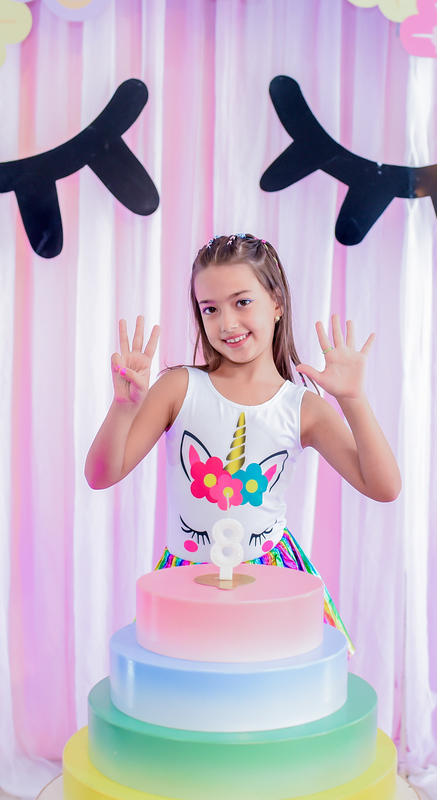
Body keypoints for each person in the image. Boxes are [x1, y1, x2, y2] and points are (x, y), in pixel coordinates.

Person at [85, 233, 400, 649]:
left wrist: (353, 401)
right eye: (210, 309)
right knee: (189, 679)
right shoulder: (178, 387)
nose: (227, 323)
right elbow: (101, 476)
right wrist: (123, 408)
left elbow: (384, 487)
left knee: (268, 682)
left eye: (242, 302)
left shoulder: (301, 407)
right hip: (187, 573)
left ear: (277, 303)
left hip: (274, 575)